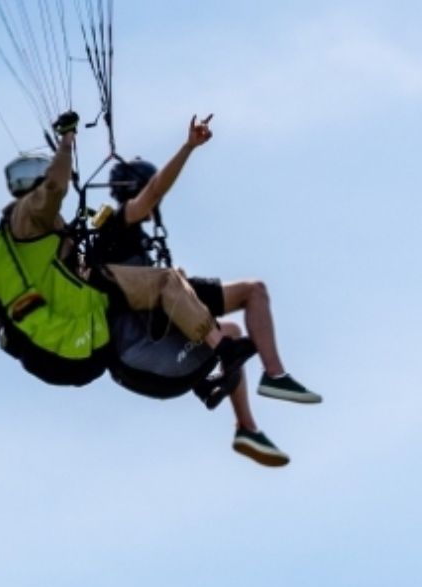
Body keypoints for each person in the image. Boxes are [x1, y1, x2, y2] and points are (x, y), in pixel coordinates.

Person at [93, 114, 322, 466]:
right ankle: (245, 372)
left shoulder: (137, 244)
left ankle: (257, 408)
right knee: (220, 322)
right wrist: (188, 148)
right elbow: (154, 192)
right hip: (142, 355)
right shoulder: (119, 227)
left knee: (248, 299)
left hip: (158, 340)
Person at [5, 111, 256, 401]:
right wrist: (67, 140)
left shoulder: (40, 228)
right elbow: (58, 187)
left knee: (183, 291)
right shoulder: (32, 214)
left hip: (137, 355)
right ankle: (224, 349)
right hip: (130, 350)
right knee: (167, 281)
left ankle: (208, 383)